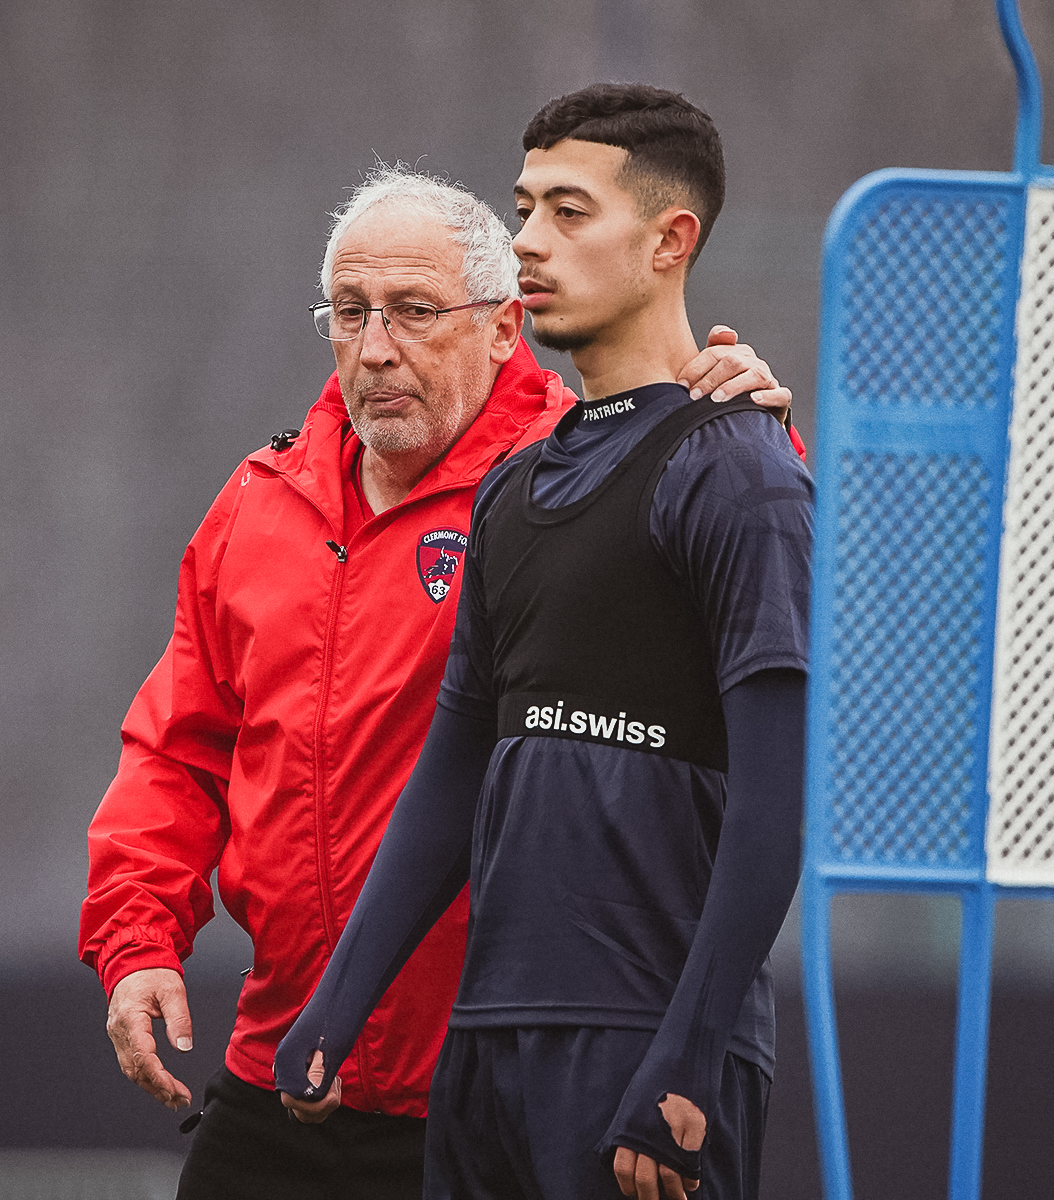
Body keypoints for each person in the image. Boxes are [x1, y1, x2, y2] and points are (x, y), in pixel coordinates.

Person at [79, 163, 795, 1200]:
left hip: (478, 1087)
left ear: (506, 328)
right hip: (287, 1066)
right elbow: (177, 751)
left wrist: (741, 407)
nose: (377, 348)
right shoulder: (256, 503)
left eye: (415, 312)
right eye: (351, 312)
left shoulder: (579, 465)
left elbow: (740, 558)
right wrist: (138, 938)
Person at [275, 86, 812, 1200]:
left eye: (568, 212)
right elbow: (452, 770)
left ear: (671, 242)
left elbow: (774, 808)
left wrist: (688, 1059)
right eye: (523, 209)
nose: (524, 241)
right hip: (486, 1046)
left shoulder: (742, 470)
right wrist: (339, 999)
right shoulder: (513, 485)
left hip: (644, 1055)